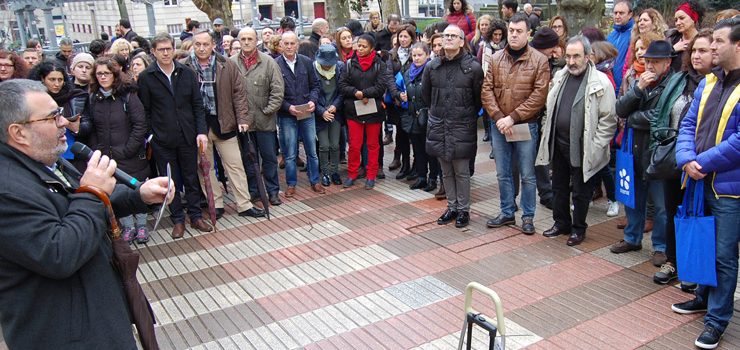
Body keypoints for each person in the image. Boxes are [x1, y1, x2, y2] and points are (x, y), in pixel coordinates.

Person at [0, 78, 173, 350]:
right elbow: (58, 252)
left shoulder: (45, 161)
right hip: (67, 335)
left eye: (61, 114)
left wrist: (138, 195)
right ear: (18, 133)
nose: (63, 123)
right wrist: (92, 191)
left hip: (94, 316)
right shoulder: (7, 189)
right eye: (52, 117)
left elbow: (79, 207)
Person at [671, 18, 740, 350]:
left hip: (728, 187)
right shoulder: (708, 83)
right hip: (698, 179)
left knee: (725, 255)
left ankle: (717, 320)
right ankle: (702, 296)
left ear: (738, 46)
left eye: (719, 42)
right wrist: (686, 158)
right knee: (702, 243)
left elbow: (739, 141)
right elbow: (687, 124)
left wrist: (703, 162)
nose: (712, 47)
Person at [536, 36, 617, 246]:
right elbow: (550, 106)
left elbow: (608, 120)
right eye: (569, 56)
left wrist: (597, 147)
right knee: (559, 186)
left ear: (588, 56)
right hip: (559, 142)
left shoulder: (601, 82)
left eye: (576, 56)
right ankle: (561, 222)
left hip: (585, 147)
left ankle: (578, 229)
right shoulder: (561, 75)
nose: (571, 61)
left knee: (581, 192)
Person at [652, 29, 715, 287]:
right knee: (671, 211)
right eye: (694, 50)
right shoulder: (679, 79)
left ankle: (695, 268)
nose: (697, 55)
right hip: (674, 158)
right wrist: (661, 140)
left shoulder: (718, 85)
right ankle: (673, 261)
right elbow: (662, 112)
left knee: (698, 215)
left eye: (704, 50)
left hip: (703, 163)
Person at [181, 30, 265, 219]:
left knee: (235, 165)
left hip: (225, 122)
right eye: (198, 45)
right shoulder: (184, 67)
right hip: (198, 127)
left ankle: (244, 204)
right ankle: (216, 203)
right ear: (193, 46)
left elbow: (239, 93)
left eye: (205, 44)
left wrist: (242, 119)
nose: (202, 48)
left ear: (213, 45)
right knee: (205, 168)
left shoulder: (226, 64)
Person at [137, 32, 213, 239]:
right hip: (162, 139)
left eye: (168, 48)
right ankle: (178, 219)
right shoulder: (146, 78)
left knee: (191, 177)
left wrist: (200, 131)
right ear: (153, 52)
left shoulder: (186, 73)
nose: (165, 53)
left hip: (187, 135)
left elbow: (197, 105)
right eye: (160, 49)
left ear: (173, 49)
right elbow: (145, 110)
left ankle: (196, 216)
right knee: (169, 181)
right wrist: (152, 135)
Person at [609, 40, 675, 268]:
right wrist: (637, 90)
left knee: (661, 206)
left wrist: (633, 119)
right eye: (647, 61)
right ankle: (632, 238)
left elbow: (661, 118)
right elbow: (620, 109)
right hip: (634, 150)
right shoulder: (639, 82)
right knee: (633, 200)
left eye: (655, 62)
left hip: (659, 154)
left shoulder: (673, 84)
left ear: (667, 63)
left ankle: (661, 247)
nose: (650, 66)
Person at [482, 13, 549, 235]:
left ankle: (528, 216)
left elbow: (539, 96)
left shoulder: (539, 60)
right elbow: (487, 90)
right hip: (500, 125)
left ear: (528, 34)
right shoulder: (495, 58)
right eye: (511, 30)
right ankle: (507, 211)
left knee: (527, 174)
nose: (514, 35)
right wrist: (499, 117)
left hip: (524, 125)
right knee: (503, 172)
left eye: (519, 31)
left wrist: (513, 117)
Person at [78, 57, 150, 243]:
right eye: (99, 73)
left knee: (135, 186)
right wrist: (97, 150)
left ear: (115, 74)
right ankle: (127, 226)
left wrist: (128, 149)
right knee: (116, 189)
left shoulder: (128, 95)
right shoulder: (93, 98)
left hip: (129, 154)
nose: (103, 77)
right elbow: (92, 127)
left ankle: (142, 225)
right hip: (106, 155)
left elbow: (140, 125)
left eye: (107, 73)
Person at [423, 25, 483, 228]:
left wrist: (465, 115)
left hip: (462, 124)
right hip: (439, 123)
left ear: (461, 40)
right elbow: (426, 96)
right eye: (445, 35)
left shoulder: (472, 67)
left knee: (461, 170)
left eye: (453, 36)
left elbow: (478, 99)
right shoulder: (432, 66)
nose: (448, 38)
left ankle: (464, 210)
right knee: (445, 170)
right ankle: (452, 206)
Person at [232, 27, 285, 206]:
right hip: (243, 124)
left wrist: (268, 111)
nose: (246, 42)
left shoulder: (269, 62)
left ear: (257, 41)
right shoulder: (230, 63)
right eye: (243, 39)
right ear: (239, 41)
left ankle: (273, 191)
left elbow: (277, 90)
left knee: (269, 158)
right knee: (248, 159)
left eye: (250, 39)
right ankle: (254, 192)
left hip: (265, 122)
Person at [339, 34, 396, 190]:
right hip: (353, 110)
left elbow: (381, 87)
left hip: (373, 110)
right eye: (359, 45)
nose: (360, 49)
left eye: (364, 46)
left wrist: (364, 93)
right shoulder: (349, 64)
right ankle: (352, 174)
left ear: (371, 48)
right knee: (355, 144)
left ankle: (371, 175)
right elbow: (342, 85)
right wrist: (356, 93)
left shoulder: (379, 64)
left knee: (372, 144)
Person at [275, 32, 324, 197]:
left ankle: (315, 180)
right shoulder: (275, 65)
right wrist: (288, 107)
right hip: (287, 115)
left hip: (307, 113)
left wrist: (313, 101)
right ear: (281, 45)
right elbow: (273, 93)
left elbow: (316, 85)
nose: (289, 47)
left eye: (292, 43)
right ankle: (291, 184)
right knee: (289, 153)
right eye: (286, 43)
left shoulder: (306, 62)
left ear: (297, 44)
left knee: (312, 150)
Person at [28, 61, 87, 170]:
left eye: (60, 80)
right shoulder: (33, 100)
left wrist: (71, 125)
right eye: (52, 79)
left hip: (72, 153)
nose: (57, 84)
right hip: (44, 152)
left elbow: (87, 126)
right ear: (42, 79)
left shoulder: (76, 97)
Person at [401, 42, 438, 192]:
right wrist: (403, 96)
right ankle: (421, 177)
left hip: (428, 117)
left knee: (431, 151)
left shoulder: (432, 70)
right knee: (418, 150)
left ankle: (433, 178)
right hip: (413, 116)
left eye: (420, 55)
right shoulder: (408, 72)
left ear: (427, 55)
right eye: (414, 55)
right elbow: (405, 90)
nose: (416, 58)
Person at [388, 25, 417, 180]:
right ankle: (404, 164)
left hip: (414, 102)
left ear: (412, 37)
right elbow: (388, 77)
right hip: (398, 103)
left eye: (406, 36)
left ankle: (416, 166)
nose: (403, 39)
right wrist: (397, 95)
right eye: (401, 36)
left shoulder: (417, 53)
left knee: (415, 135)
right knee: (401, 135)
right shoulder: (393, 55)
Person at [314, 44, 345, 187]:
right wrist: (322, 111)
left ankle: (334, 171)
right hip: (319, 112)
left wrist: (335, 106)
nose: (327, 66)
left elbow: (342, 91)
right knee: (324, 145)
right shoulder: (313, 69)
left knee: (334, 144)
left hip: (335, 112)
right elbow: (311, 92)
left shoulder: (339, 68)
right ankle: (325, 172)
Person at [621, 8, 668, 80]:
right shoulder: (634, 43)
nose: (641, 23)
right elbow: (626, 67)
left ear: (654, 23)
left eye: (645, 20)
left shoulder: (663, 43)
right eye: (640, 20)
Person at [667, 1, 705, 73]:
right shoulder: (671, 39)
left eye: (682, 18)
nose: (678, 23)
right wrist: (673, 49)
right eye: (676, 20)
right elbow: (659, 61)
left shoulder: (703, 40)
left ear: (693, 18)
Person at [608, 0, 634, 95]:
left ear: (630, 14)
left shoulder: (634, 34)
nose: (617, 16)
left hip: (625, 86)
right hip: (610, 85)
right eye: (615, 13)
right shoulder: (611, 36)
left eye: (621, 13)